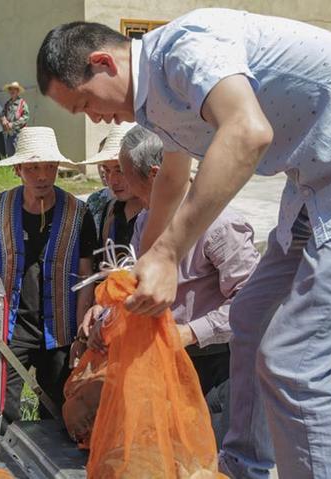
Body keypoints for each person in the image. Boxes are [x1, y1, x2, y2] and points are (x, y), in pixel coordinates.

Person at [37, 10, 331, 478]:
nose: (96, 117)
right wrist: (144, 262)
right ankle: (244, 466)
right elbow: (171, 176)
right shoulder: (159, 101)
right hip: (315, 185)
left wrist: (169, 255)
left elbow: (248, 133)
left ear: (104, 63)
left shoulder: (185, 48)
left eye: (84, 103)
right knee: (251, 317)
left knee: (293, 363)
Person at [89, 125, 261, 447]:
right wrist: (107, 318)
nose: (120, 185)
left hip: (216, 364)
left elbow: (251, 304)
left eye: (127, 176)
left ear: (155, 175)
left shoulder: (221, 226)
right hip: (166, 359)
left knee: (211, 454)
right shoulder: (146, 219)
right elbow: (140, 284)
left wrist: (190, 333)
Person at [0, 126, 97, 429]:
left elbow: (86, 277)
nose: (42, 176)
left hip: (59, 331)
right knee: (3, 410)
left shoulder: (79, 213)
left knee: (60, 410)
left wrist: (80, 334)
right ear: (18, 169)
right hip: (11, 329)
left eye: (49, 167)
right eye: (33, 168)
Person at [82, 122, 141, 246]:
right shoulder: (110, 210)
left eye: (119, 169)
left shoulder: (161, 212)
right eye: (107, 170)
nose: (112, 180)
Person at [1, 81, 29, 156]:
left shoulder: (22, 103)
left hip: (19, 134)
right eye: (11, 89)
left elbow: (25, 117)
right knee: (10, 156)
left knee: (20, 156)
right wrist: (4, 119)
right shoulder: (7, 104)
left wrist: (13, 124)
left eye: (15, 89)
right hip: (9, 134)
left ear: (18, 91)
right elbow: (2, 113)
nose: (12, 91)